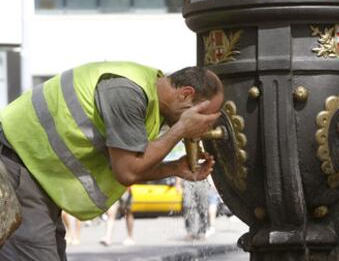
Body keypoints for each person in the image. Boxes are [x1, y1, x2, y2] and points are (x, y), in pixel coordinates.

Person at [0, 61, 223, 260]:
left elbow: (127, 166)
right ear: (185, 93)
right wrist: (182, 128)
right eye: (203, 116)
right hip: (18, 164)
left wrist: (174, 168)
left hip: (33, 173)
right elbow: (127, 172)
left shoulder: (150, 105)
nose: (204, 126)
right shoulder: (127, 93)